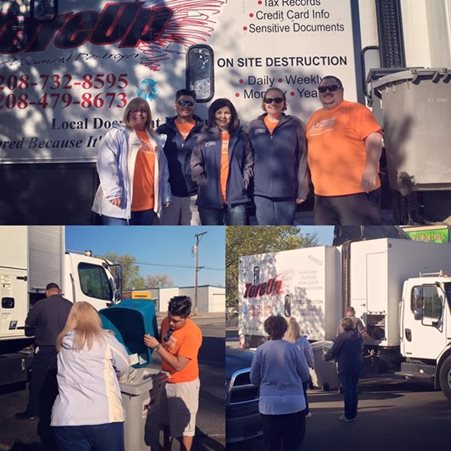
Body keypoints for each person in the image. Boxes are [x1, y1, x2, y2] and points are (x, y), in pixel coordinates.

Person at [51, 302, 130, 451]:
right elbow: (124, 365)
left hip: (66, 418)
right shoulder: (106, 340)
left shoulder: (61, 343)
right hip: (104, 416)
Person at [305, 75, 383, 225]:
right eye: (322, 89)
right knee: (333, 242)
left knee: (362, 240)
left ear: (341, 90)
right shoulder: (314, 117)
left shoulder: (355, 110)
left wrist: (371, 168)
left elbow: (374, 138)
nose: (327, 92)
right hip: (322, 197)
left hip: (356, 192)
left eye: (332, 88)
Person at [92, 97, 172, 225]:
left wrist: (165, 193)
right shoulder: (117, 133)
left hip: (147, 207)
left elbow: (163, 170)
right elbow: (105, 162)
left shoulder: (155, 139)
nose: (139, 113)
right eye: (134, 110)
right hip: (120, 206)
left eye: (143, 111)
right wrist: (113, 193)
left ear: (148, 115)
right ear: (128, 113)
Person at [17, 283, 72, 451]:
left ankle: (34, 412)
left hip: (46, 347)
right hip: (65, 347)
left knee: (39, 381)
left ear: (47, 292)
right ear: (59, 292)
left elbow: (30, 322)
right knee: (60, 380)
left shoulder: (41, 304)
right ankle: (59, 410)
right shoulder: (69, 304)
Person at [144, 296, 202, 451]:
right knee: (166, 421)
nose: (171, 323)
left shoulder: (192, 334)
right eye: (170, 318)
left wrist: (157, 347)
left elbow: (178, 365)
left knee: (185, 428)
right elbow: (161, 340)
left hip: (184, 385)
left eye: (175, 321)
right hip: (165, 379)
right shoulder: (166, 322)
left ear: (187, 317)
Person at [248, 87, 309, 225]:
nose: (273, 103)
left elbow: (302, 157)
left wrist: (303, 188)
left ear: (284, 103)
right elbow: (248, 158)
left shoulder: (295, 124)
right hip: (260, 192)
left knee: (284, 230)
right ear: (264, 103)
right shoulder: (253, 126)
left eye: (278, 100)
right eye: (269, 100)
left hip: (286, 191)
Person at [250, 315, 309, 451]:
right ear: (284, 329)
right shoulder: (294, 349)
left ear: (267, 330)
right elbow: (305, 375)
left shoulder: (261, 350)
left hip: (269, 405)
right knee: (292, 444)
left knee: (272, 445)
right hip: (294, 404)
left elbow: (254, 379)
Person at [190, 98, 253, 225]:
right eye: (219, 112)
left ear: (232, 115)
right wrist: (204, 183)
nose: (223, 116)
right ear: (213, 114)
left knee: (238, 237)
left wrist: (244, 183)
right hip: (209, 200)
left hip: (236, 199)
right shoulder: (204, 137)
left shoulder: (241, 137)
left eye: (226, 113)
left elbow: (249, 162)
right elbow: (195, 163)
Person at [157, 89, 203, 225]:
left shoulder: (204, 131)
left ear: (195, 106)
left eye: (190, 103)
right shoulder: (163, 130)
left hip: (195, 194)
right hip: (169, 194)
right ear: (175, 105)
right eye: (182, 102)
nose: (186, 106)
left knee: (194, 233)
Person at [325, 317, 364, 422]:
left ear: (343, 326)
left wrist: (326, 357)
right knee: (354, 390)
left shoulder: (342, 337)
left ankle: (348, 415)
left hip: (345, 366)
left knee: (347, 391)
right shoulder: (359, 336)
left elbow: (334, 350)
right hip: (357, 365)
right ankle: (353, 413)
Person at [284, 317, 314, 418]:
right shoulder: (303, 341)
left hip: (288, 371)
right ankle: (305, 411)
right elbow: (309, 355)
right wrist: (311, 364)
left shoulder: (283, 342)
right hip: (301, 371)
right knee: (302, 393)